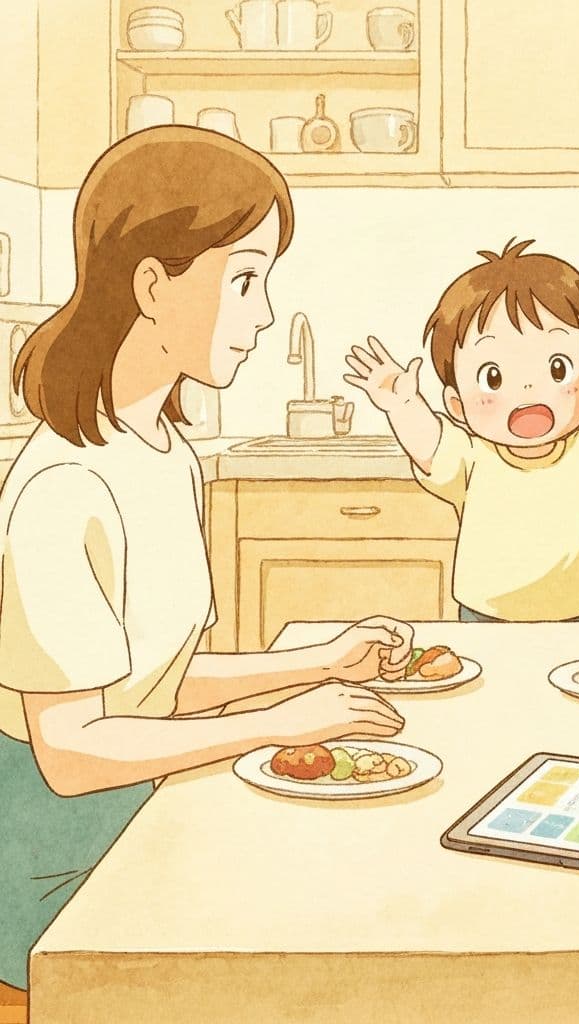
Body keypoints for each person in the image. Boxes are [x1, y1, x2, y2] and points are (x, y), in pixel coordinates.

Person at [0, 126, 412, 991]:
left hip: (142, 803)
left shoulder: (163, 454)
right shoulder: (63, 489)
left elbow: (151, 684)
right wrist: (281, 719)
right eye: (247, 279)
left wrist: (316, 662)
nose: (263, 315)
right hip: (50, 870)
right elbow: (71, 753)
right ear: (154, 284)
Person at [343, 239, 579, 622]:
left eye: (557, 369)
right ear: (456, 405)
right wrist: (403, 405)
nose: (527, 391)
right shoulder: (472, 458)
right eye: (494, 376)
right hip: (486, 615)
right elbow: (429, 445)